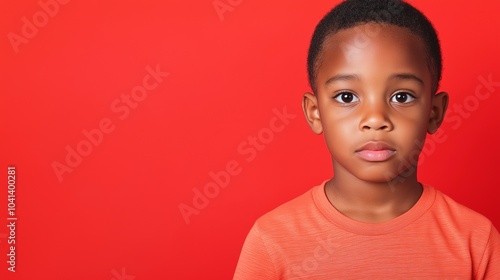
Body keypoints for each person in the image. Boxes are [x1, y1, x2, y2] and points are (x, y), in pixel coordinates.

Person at [233, 0, 500, 279]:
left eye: (402, 97)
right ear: (315, 113)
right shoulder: (272, 242)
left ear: (434, 112)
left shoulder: (476, 242)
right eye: (347, 97)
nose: (375, 119)